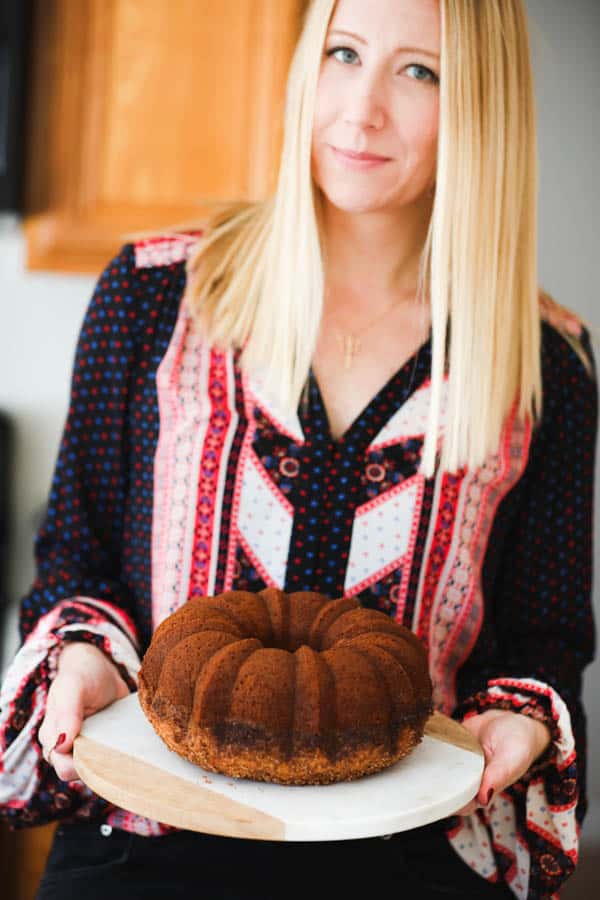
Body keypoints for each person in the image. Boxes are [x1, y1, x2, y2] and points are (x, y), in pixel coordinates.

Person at [0, 0, 596, 898]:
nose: (362, 109)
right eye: (343, 53)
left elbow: (542, 641)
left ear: (483, 105)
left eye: (419, 71)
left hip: (407, 862)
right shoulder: (152, 296)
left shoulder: (543, 362)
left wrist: (519, 727)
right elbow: (77, 560)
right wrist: (82, 659)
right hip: (145, 849)